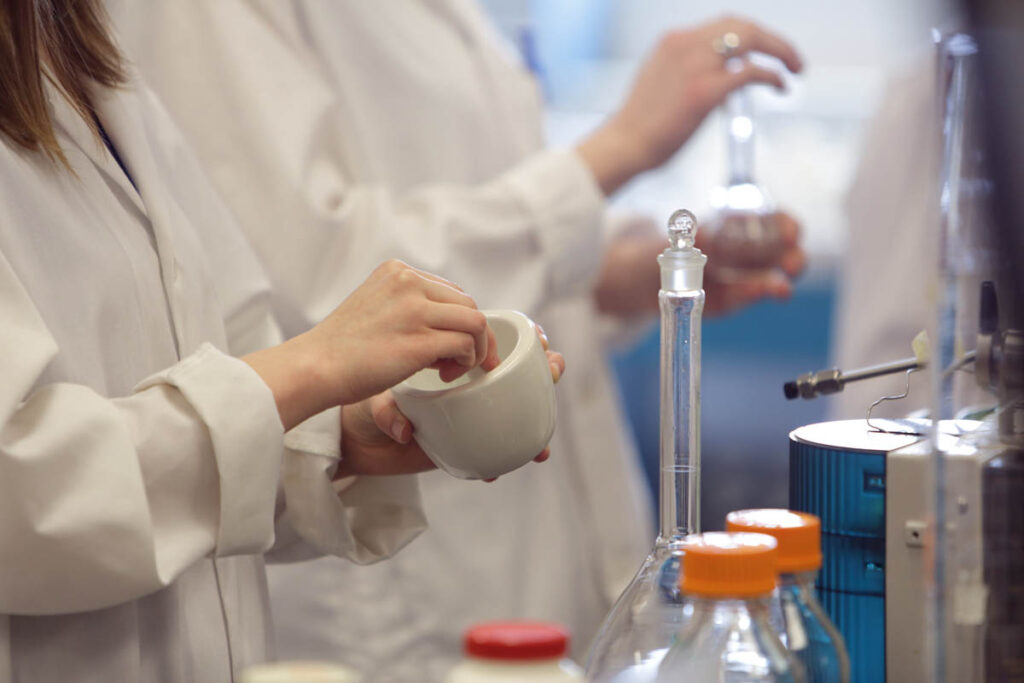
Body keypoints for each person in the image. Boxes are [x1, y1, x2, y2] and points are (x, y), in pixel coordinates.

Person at [110, 2, 806, 678]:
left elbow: (464, 253)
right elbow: (322, 286)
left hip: (535, 553)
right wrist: (617, 149)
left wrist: (605, 281)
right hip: (394, 594)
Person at [0, 1, 562, 680]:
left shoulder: (81, 57)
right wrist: (313, 365)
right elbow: (22, 494)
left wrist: (339, 437)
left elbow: (210, 373)